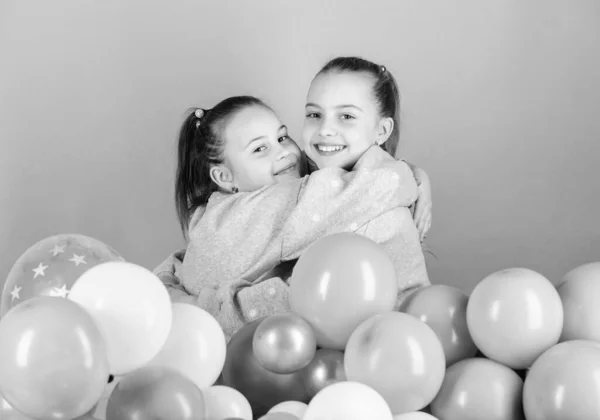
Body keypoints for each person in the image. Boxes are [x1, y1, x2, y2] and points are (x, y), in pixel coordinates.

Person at [155, 58, 431, 339]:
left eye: (283, 137)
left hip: (388, 348)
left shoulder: (365, 206)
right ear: (224, 178)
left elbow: (302, 302)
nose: (325, 129)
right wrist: (409, 175)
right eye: (314, 115)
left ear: (382, 130)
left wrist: (191, 306)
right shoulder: (319, 193)